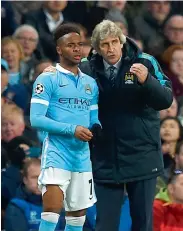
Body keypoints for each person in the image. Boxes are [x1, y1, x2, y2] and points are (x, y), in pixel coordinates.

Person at [44, 19, 173, 231]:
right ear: (96, 47)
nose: (111, 48)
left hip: (142, 155)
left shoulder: (145, 62)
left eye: (115, 42)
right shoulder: (85, 69)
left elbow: (166, 100)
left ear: (122, 42)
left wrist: (147, 81)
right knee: (104, 224)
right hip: (104, 158)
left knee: (143, 224)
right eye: (105, 44)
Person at [30, 23, 101, 231]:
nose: (77, 49)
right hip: (56, 153)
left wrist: (96, 129)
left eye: (80, 44)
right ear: (59, 49)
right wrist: (72, 129)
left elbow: (94, 118)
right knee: (52, 210)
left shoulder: (90, 83)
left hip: (82, 158)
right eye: (71, 45)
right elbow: (36, 119)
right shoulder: (47, 78)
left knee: (77, 218)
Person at [4, 158, 65, 231]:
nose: (39, 182)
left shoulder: (58, 204)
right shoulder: (16, 206)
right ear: (25, 180)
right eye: (35, 177)